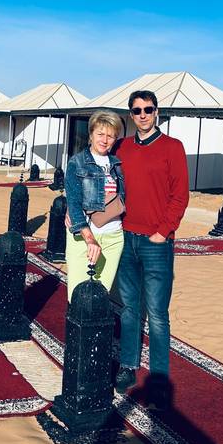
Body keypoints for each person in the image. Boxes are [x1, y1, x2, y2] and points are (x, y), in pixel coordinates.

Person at [114, 90, 189, 409]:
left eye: (148, 109)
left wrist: (163, 232)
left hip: (156, 243)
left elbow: (180, 195)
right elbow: (107, 185)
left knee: (157, 314)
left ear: (157, 112)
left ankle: (158, 380)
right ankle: (128, 366)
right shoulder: (122, 148)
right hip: (125, 238)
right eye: (136, 110)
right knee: (130, 309)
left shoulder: (173, 148)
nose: (142, 115)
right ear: (130, 114)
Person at [65, 111, 125, 302]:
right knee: (78, 296)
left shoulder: (117, 164)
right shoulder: (77, 162)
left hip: (114, 237)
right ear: (91, 134)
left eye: (110, 135)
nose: (105, 140)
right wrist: (89, 239)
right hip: (85, 238)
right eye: (100, 134)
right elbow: (73, 202)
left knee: (101, 297)